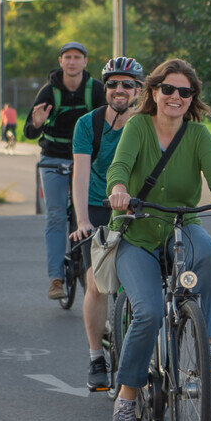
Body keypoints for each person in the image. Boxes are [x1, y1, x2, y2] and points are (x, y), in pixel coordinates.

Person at [103, 58, 211, 421]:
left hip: (181, 225)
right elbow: (118, 167)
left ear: (192, 98)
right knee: (149, 312)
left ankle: (208, 341)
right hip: (136, 234)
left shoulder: (197, 134)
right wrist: (118, 191)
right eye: (168, 89)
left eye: (185, 92)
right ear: (154, 92)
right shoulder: (137, 126)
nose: (176, 97)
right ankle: (127, 396)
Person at [70, 56, 144, 389]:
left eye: (127, 84)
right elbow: (81, 173)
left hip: (138, 205)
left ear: (139, 91)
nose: (119, 90)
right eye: (112, 84)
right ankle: (96, 356)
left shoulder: (147, 124)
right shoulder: (88, 124)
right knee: (97, 282)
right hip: (97, 206)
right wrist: (82, 219)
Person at [24, 42, 103, 301]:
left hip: (88, 159)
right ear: (60, 61)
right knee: (56, 215)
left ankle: (96, 270)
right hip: (54, 159)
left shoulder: (96, 91)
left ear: (85, 61)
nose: (72, 61)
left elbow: (111, 122)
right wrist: (36, 124)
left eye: (77, 57)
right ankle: (55, 278)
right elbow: (29, 131)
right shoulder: (49, 91)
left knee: (92, 213)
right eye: (67, 57)